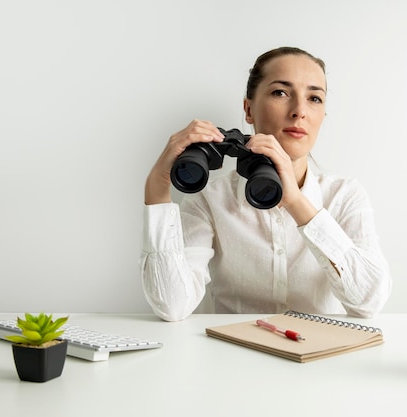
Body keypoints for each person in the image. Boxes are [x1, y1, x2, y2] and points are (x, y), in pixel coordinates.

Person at [140, 46, 392, 321]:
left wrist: (295, 201)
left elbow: (370, 301)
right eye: (280, 92)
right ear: (249, 110)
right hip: (232, 358)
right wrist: (157, 187)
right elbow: (172, 306)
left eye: (315, 98)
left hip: (319, 359)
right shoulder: (209, 199)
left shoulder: (344, 195)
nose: (299, 111)